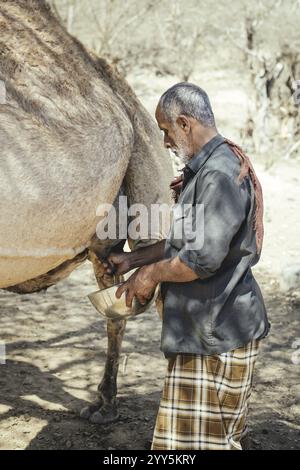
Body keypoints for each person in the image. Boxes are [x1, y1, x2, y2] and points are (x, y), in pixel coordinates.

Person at [103, 82, 270, 450]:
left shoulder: (219, 175)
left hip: (216, 336)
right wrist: (135, 258)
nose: (164, 141)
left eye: (165, 130)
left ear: (184, 123)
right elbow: (189, 240)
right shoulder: (208, 168)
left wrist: (148, 275)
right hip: (209, 329)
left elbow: (200, 259)